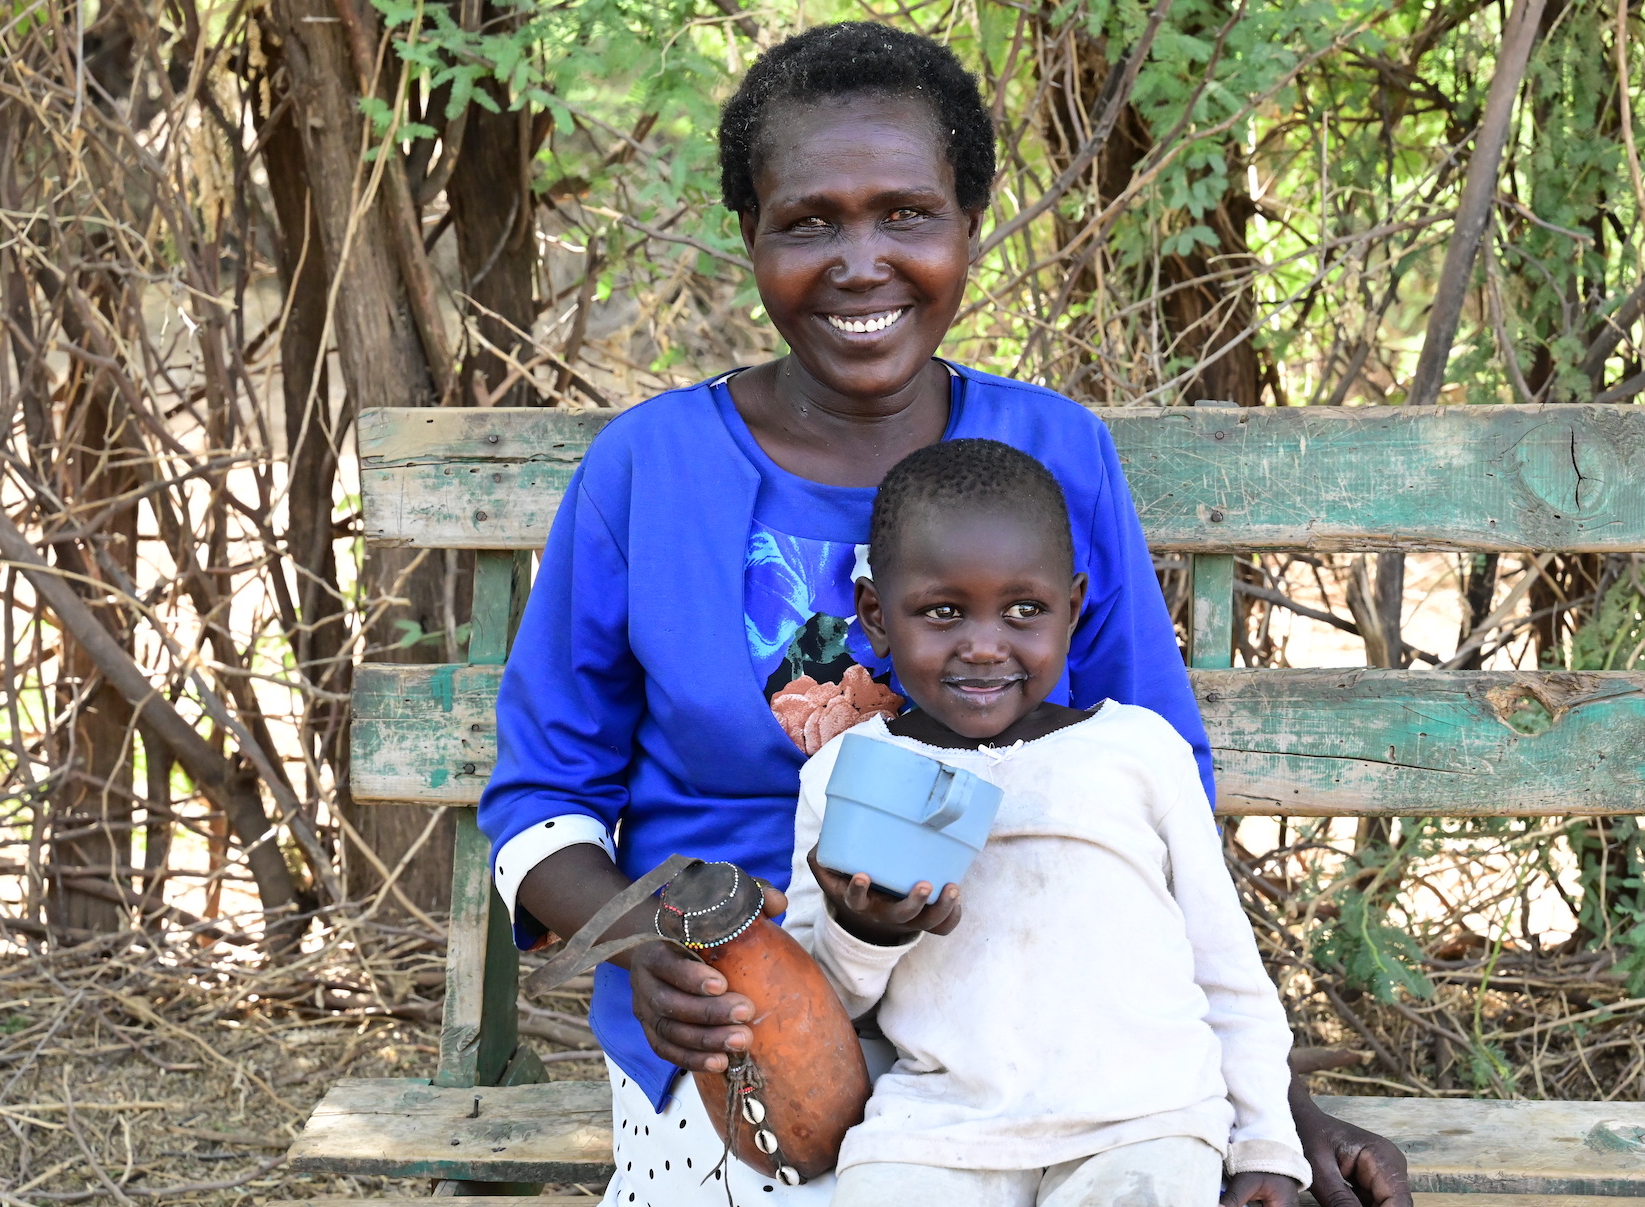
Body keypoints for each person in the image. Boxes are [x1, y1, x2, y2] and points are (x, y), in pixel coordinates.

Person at [477, 20, 1411, 1207]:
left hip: (1046, 1034)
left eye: (906, 214)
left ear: (968, 226)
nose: (859, 262)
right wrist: (641, 939)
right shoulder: (646, 470)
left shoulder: (1050, 450)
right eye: (807, 220)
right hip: (736, 1026)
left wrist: (1272, 1113)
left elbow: (1152, 784)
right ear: (749, 236)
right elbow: (539, 797)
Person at [786, 438, 1309, 1207]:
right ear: (875, 617)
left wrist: (1267, 1144)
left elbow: (1227, 972)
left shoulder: (1134, 750)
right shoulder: (848, 776)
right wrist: (866, 930)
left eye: (1025, 609)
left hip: (1142, 1122)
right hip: (936, 1130)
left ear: (1075, 605)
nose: (986, 644)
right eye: (943, 612)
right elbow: (820, 1009)